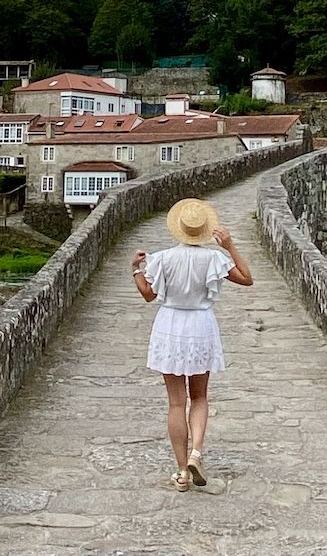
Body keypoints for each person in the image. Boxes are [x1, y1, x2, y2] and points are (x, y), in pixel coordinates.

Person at [130, 198, 254, 492]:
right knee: (199, 397)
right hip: (200, 325)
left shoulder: (162, 259)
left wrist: (136, 269)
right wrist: (230, 246)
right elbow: (247, 279)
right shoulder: (213, 259)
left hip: (170, 326)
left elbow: (148, 295)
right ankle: (197, 452)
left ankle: (182, 471)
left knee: (176, 402)